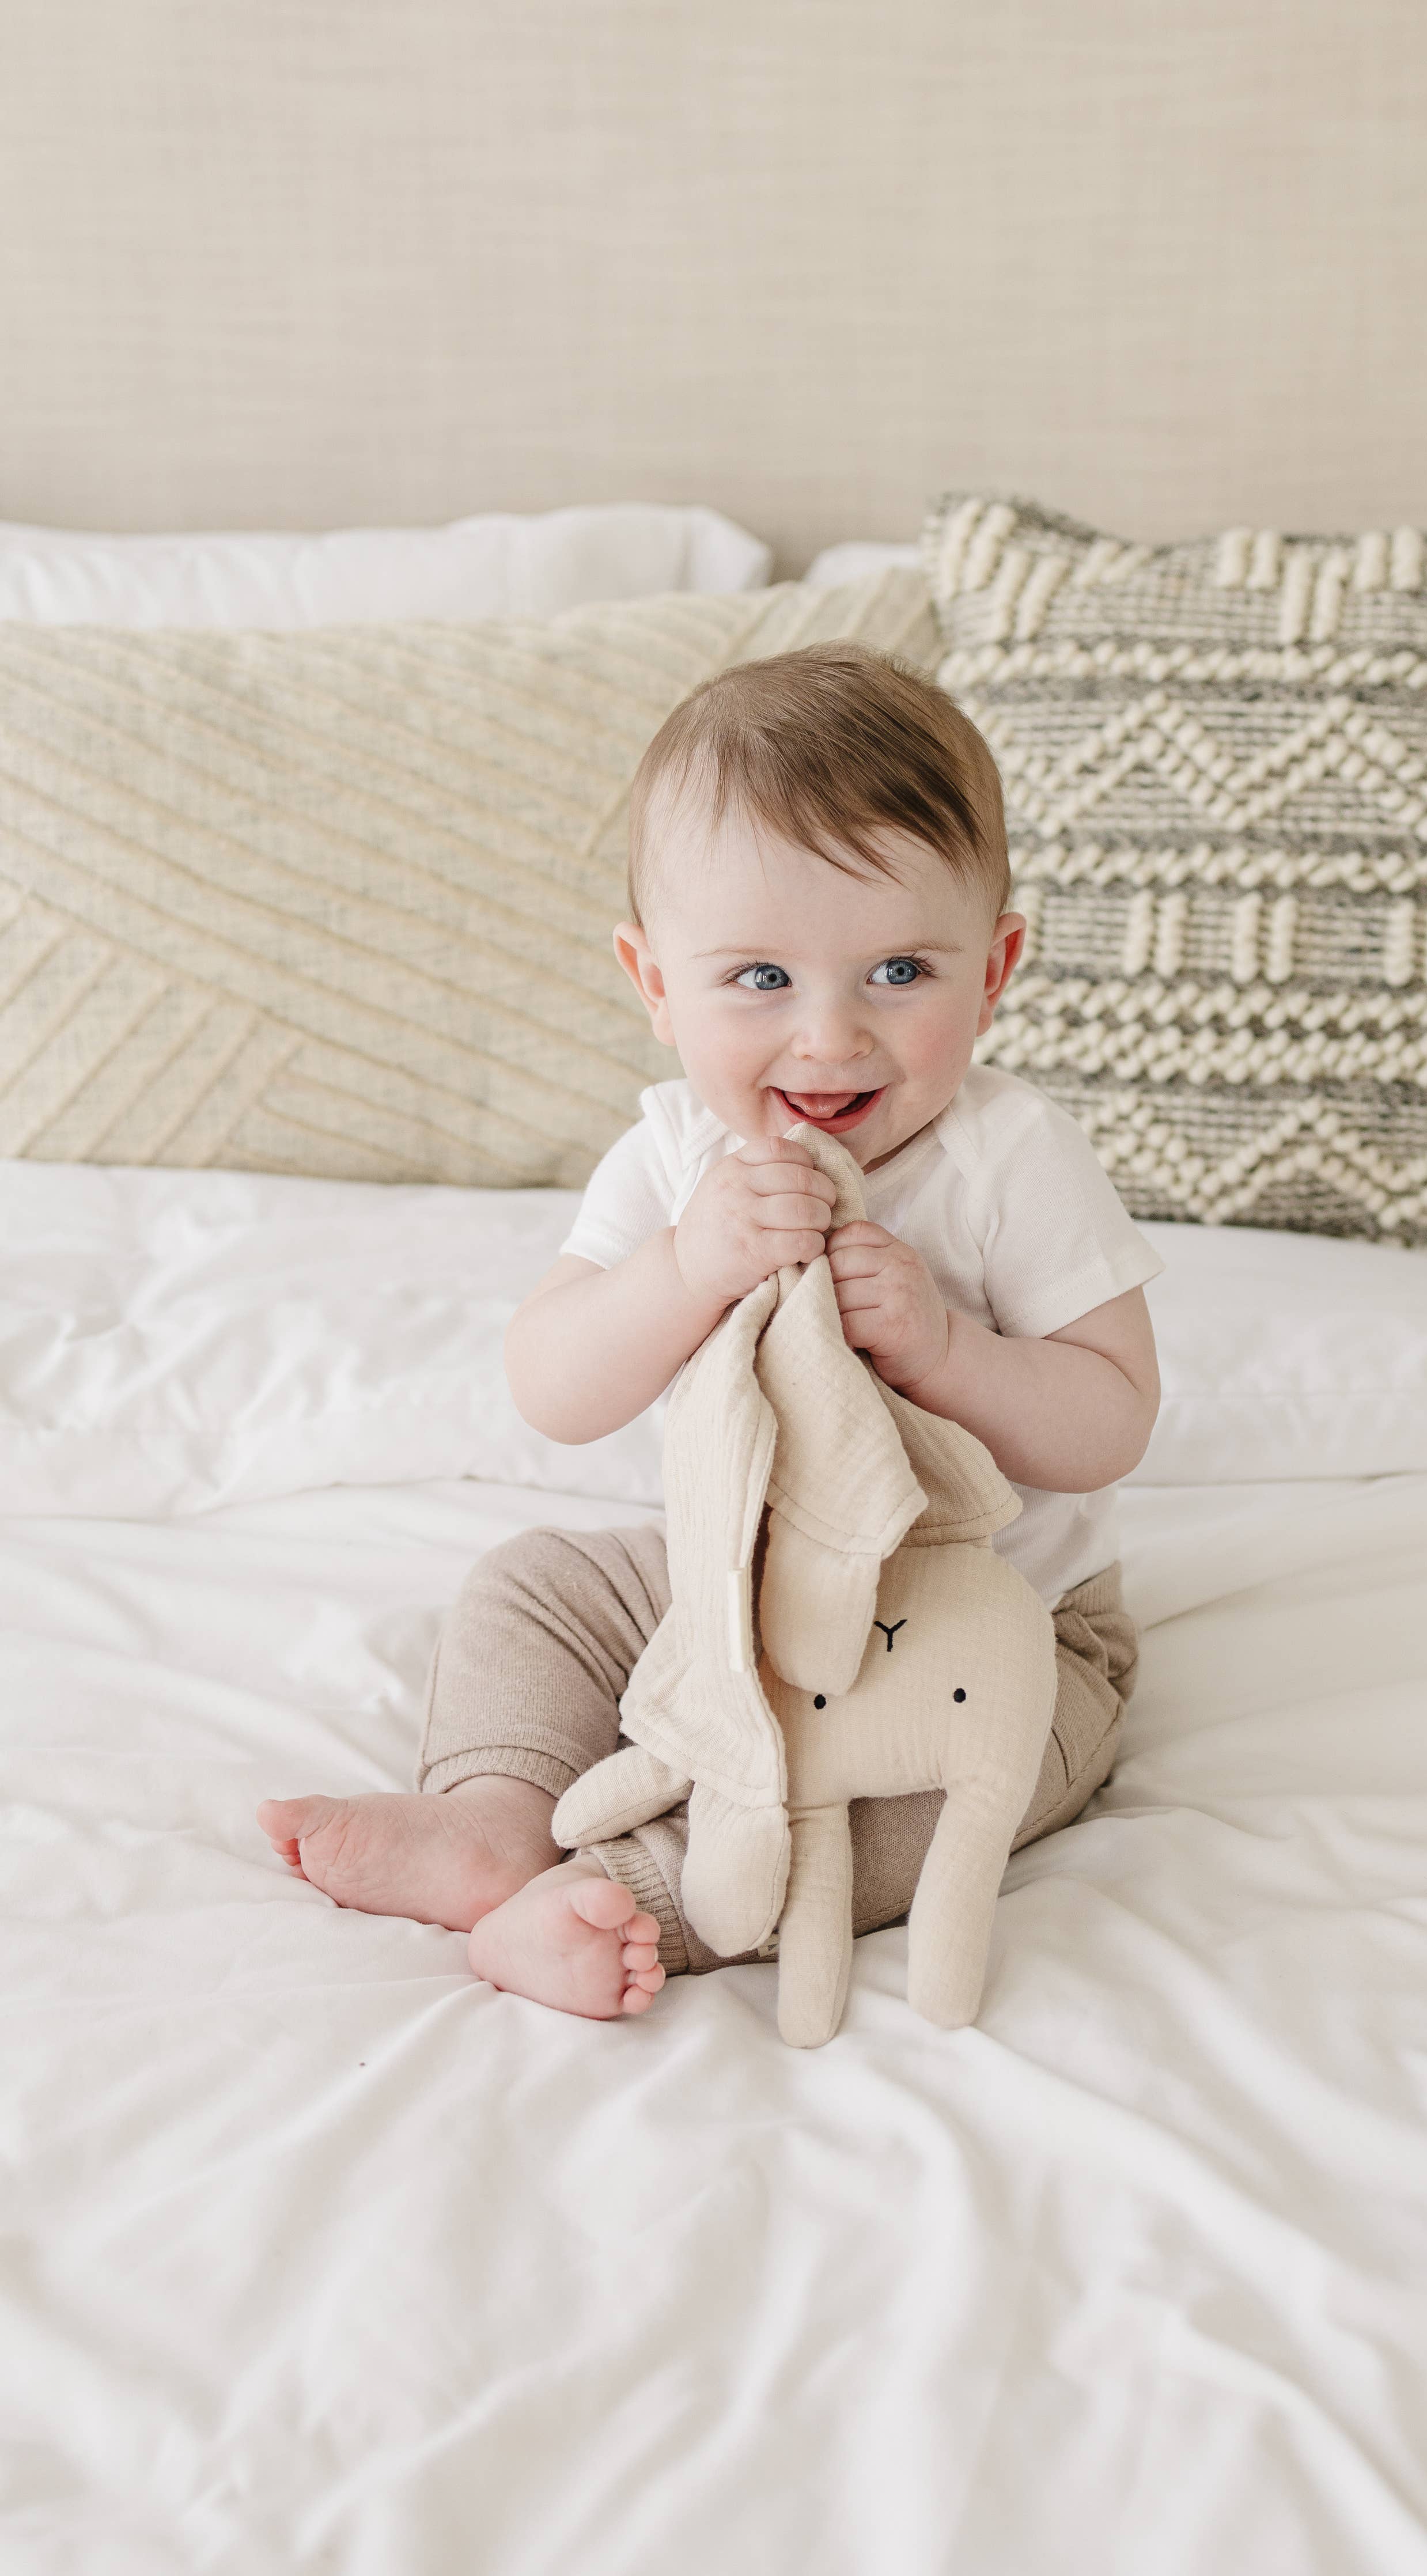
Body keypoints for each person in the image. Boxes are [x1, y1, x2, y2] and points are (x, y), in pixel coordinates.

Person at [259, 643, 1162, 2018]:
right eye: (758, 979)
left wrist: (947, 1352)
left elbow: (1112, 1417)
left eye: (901, 970)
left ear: (998, 971)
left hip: (989, 1623)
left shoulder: (1008, 1159)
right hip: (721, 1586)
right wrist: (686, 1267)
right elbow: (554, 1383)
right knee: (533, 1587)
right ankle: (496, 1817)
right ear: (653, 980)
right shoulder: (679, 1154)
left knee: (922, 1793)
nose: (830, 1038)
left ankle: (628, 1900)